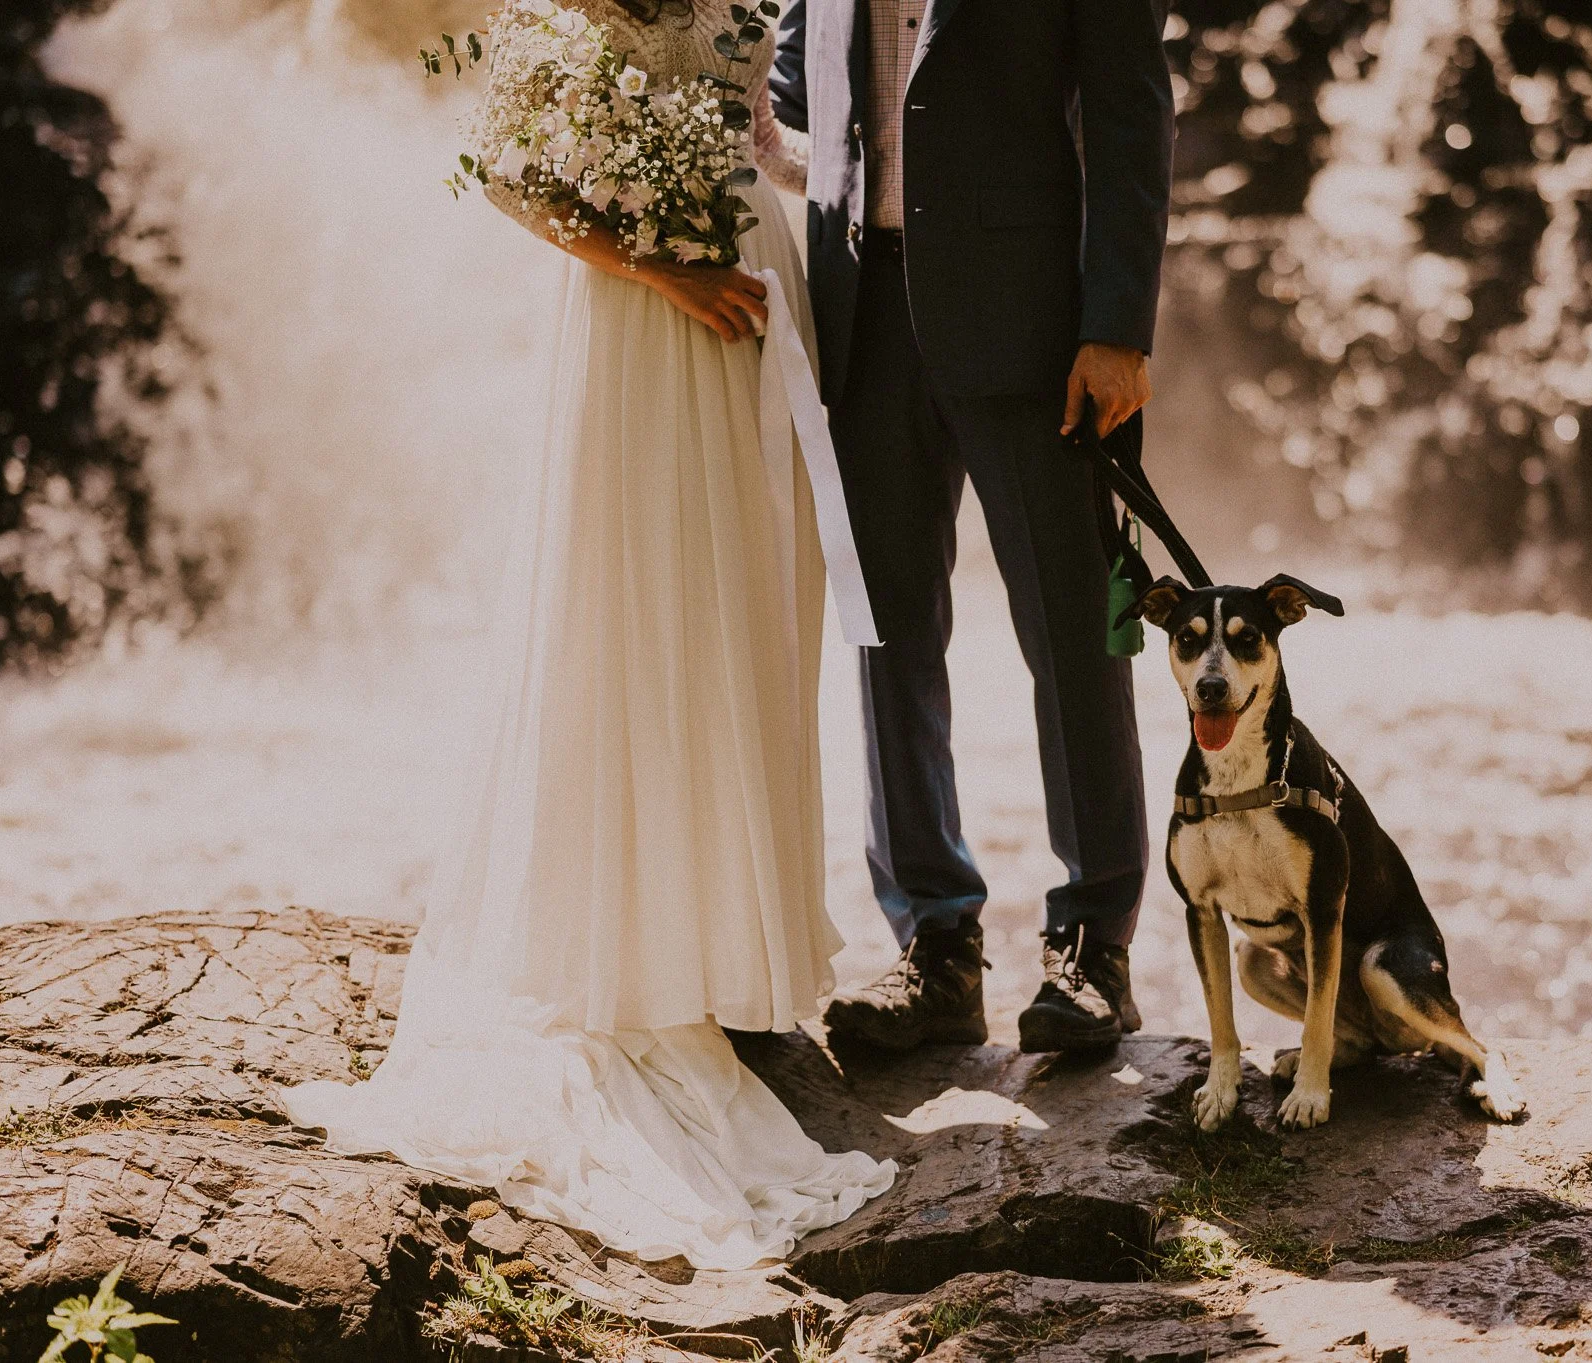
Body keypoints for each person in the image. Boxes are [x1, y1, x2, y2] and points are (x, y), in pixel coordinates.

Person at [280, 0, 894, 1270]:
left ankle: (726, 940)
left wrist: (807, 196)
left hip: (758, 295)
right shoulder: (561, 8)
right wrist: (661, 266)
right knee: (645, 602)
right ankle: (634, 942)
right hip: (646, 321)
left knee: (743, 611)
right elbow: (510, 169)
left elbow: (760, 128)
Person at [770, 0, 1175, 1053]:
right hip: (859, 312)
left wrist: (1116, 327)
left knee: (1073, 630)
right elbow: (785, 90)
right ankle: (934, 949)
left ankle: (1092, 946)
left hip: (1034, 323)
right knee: (887, 636)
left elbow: (1131, 101)